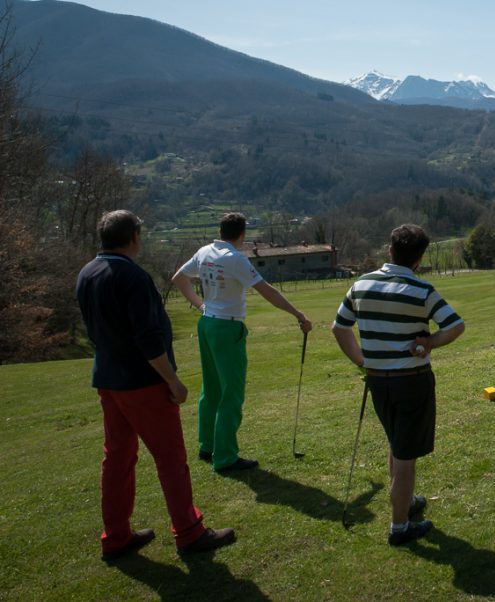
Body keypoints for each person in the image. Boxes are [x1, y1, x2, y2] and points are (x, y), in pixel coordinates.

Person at [76, 210, 235, 560]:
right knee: (171, 459)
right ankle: (190, 533)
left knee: (116, 459)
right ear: (133, 236)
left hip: (108, 379)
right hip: (144, 383)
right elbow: (148, 339)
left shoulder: (87, 273)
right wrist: (173, 380)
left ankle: (116, 536)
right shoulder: (132, 277)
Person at [332, 224, 465, 546]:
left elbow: (340, 328)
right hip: (412, 381)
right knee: (406, 456)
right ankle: (400, 526)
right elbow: (455, 326)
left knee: (397, 442)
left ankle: (403, 501)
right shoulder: (422, 289)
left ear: (389, 250)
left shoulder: (360, 284)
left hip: (377, 381)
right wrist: (431, 342)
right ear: (419, 258)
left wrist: (363, 361)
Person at [171, 212, 313, 472]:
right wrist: (298, 314)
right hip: (228, 327)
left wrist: (201, 304)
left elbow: (179, 279)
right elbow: (267, 291)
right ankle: (224, 457)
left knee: (211, 388)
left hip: (207, 324)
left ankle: (208, 446)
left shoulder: (204, 252)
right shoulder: (235, 259)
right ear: (242, 234)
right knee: (231, 393)